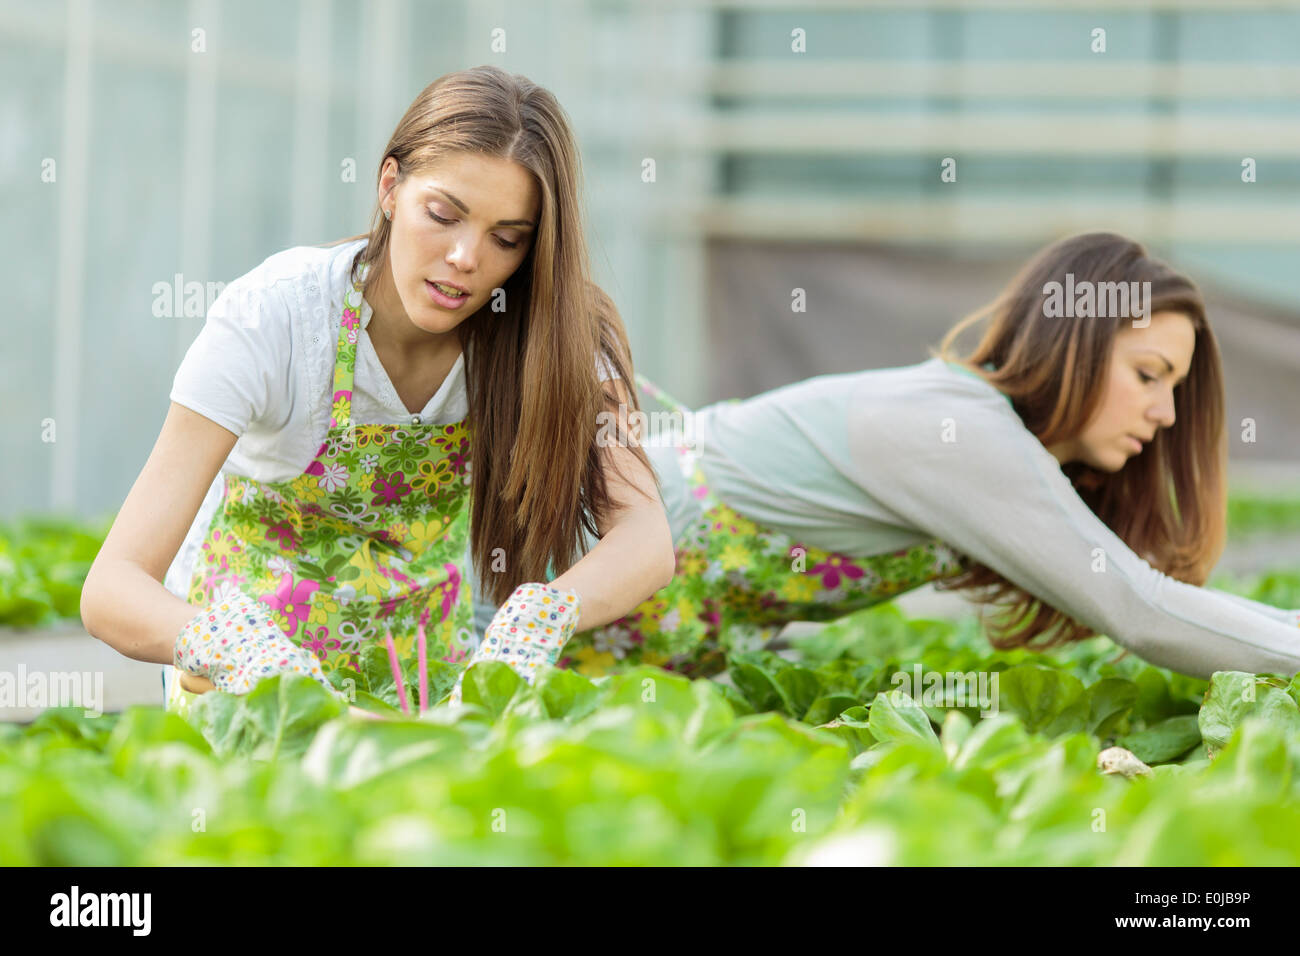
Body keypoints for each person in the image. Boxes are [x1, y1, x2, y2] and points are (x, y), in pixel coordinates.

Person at [79, 65, 675, 717]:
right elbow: (112, 587)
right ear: (390, 185)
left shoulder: (553, 334)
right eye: (443, 215)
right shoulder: (273, 317)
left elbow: (645, 537)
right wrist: (237, 650)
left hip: (428, 674)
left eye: (507, 239)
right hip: (255, 692)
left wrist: (543, 612)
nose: (466, 258)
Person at [526, 232, 1300, 682]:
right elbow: (1140, 609)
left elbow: (1147, 593)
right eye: (1148, 377)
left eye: (1174, 389)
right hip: (553, 565)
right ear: (1078, 344)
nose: (1165, 415)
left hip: (629, 644)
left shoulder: (993, 440)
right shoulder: (959, 430)